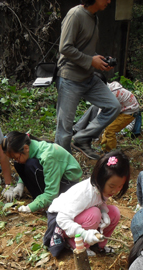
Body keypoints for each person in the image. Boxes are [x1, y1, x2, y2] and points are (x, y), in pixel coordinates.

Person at [55, 0, 121, 160]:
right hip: (70, 78)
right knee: (64, 130)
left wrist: (101, 61)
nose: (109, 1)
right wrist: (91, 61)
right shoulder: (75, 14)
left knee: (113, 106)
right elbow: (65, 47)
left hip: (88, 77)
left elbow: (85, 49)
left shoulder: (94, 17)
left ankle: (83, 138)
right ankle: (64, 166)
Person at [44, 150, 130, 257]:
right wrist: (84, 234)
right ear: (101, 180)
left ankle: (99, 245)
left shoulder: (102, 190)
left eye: (120, 186)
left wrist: (104, 212)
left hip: (78, 217)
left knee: (114, 212)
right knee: (94, 213)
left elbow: (99, 202)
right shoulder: (85, 194)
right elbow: (62, 219)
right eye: (112, 186)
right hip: (59, 222)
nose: (115, 191)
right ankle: (77, 244)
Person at [1, 131, 83, 213]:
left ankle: (45, 204)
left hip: (68, 185)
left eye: (16, 157)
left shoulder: (48, 156)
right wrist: (20, 184)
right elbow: (22, 163)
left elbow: (51, 194)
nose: (16, 160)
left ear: (26, 148)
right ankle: (39, 199)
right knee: (20, 164)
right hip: (56, 179)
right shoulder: (31, 148)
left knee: (31, 164)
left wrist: (29, 208)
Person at [72, 73, 140, 153]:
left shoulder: (111, 93)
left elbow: (102, 113)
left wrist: (95, 129)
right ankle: (103, 147)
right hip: (121, 109)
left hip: (129, 112)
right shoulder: (106, 88)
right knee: (103, 120)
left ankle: (110, 152)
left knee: (110, 129)